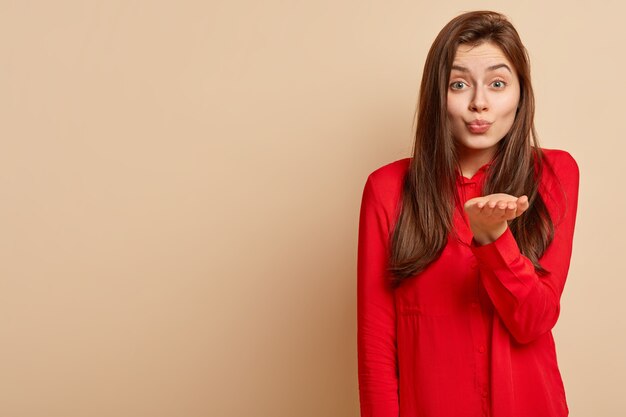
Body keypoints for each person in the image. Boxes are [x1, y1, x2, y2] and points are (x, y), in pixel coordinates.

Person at [356, 10, 579, 417]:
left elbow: (534, 320)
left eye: (497, 84)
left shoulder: (554, 175)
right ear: (436, 95)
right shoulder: (386, 190)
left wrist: (493, 238)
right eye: (459, 84)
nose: (479, 102)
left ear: (520, 94)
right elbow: (376, 345)